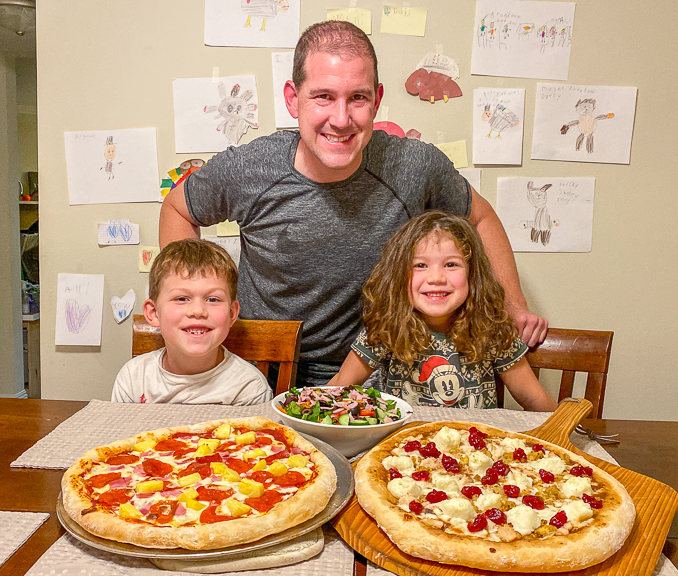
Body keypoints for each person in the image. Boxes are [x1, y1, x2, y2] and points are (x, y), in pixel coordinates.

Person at [159, 20, 547, 387]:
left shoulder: (414, 166)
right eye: (323, 97)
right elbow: (177, 209)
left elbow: (480, 218)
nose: (341, 119)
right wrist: (189, 301)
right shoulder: (250, 167)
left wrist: (513, 304)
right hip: (257, 365)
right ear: (293, 99)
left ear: (376, 101)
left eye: (357, 98)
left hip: (371, 368)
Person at [328, 212, 557, 412]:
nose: (436, 278)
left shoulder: (492, 328)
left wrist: (566, 428)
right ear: (398, 276)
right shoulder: (386, 328)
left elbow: (535, 400)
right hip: (402, 443)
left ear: (473, 275)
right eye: (420, 265)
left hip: (473, 444)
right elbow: (339, 387)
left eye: (451, 265)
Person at [111, 239, 272, 405]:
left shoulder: (249, 388)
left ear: (232, 313)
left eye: (213, 299)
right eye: (181, 298)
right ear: (154, 313)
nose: (198, 311)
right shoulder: (133, 378)